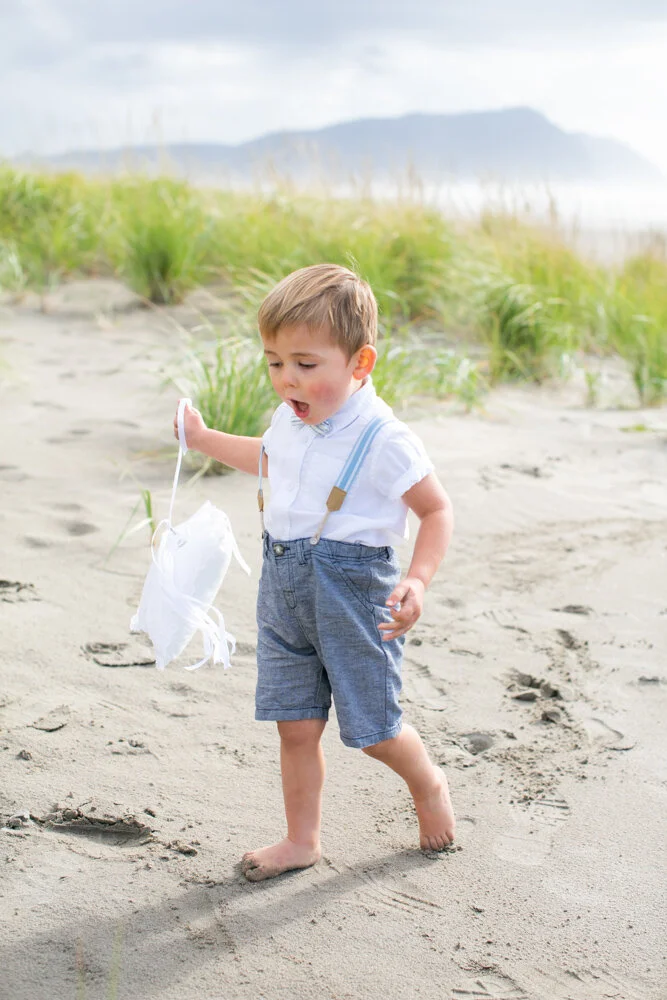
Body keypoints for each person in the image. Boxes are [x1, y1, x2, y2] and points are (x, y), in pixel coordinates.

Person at [174, 263, 455, 882]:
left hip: (354, 594)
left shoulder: (384, 438)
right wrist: (202, 437)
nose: (286, 379)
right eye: (275, 362)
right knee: (295, 724)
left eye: (305, 364)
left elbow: (436, 511)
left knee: (374, 729)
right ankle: (302, 840)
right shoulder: (289, 420)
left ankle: (427, 781)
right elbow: (265, 456)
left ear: (360, 363)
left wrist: (418, 580)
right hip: (284, 587)